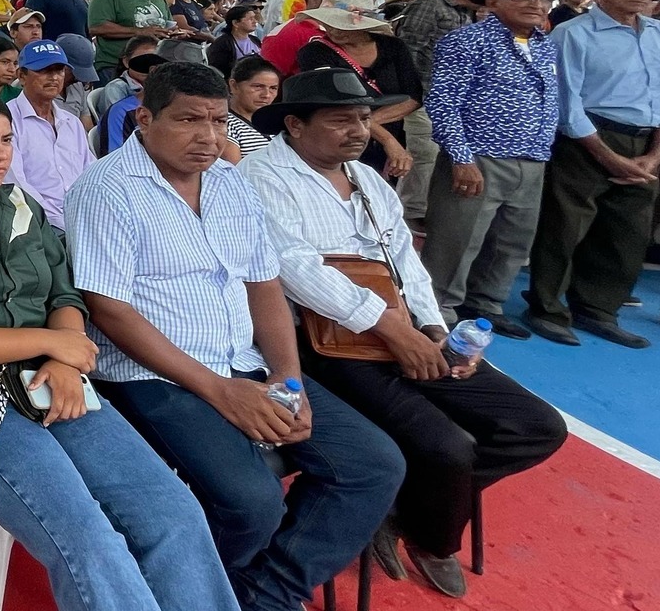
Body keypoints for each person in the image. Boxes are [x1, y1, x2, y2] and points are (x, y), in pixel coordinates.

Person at [0, 86, 233, 611]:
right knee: (86, 534)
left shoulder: (22, 208)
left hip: (46, 373)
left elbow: (64, 296)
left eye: (6, 140)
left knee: (173, 511)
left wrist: (63, 360)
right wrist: (55, 344)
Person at [65, 62, 404, 611]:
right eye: (189, 120)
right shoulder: (107, 189)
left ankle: (263, 595)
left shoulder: (229, 182)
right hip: (154, 375)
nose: (208, 137)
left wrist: (288, 379)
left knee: (373, 466)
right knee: (251, 505)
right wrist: (220, 391)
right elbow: (109, 309)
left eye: (219, 122)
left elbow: (263, 283)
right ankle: (184, 592)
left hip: (244, 361)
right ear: (145, 119)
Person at [240, 67, 565, 598]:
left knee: (536, 427)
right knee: (446, 448)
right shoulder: (261, 176)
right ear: (295, 125)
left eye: (363, 118)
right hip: (325, 345)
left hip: (400, 330)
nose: (358, 131)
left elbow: (405, 264)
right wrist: (394, 329)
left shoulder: (367, 179)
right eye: (341, 120)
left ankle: (402, 508)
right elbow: (293, 268)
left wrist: (434, 329)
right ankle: (432, 536)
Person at [524, 0, 660, 348]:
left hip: (646, 142)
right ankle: (546, 308)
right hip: (587, 138)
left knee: (627, 232)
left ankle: (597, 309)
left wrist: (656, 153)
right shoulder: (573, 34)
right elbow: (565, 102)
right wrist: (607, 155)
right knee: (564, 227)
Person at [421, 0, 559, 338]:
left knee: (512, 241)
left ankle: (486, 303)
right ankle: (438, 308)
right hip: (479, 156)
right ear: (494, 2)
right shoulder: (467, 41)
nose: (536, 4)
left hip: (532, 157)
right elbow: (443, 102)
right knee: (457, 239)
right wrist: (461, 157)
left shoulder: (545, 45)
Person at [294, 0, 423, 179]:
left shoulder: (393, 46)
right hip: (342, 140)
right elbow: (338, 101)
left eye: (341, 24)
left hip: (393, 137)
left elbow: (413, 96)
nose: (333, 30)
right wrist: (387, 140)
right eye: (329, 23)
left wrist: (371, 123)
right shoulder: (314, 52)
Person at [2, 39, 92, 230]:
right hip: (38, 224)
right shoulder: (6, 120)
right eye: (44, 70)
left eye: (59, 70)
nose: (54, 77)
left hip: (83, 218)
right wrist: (63, 223)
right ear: (22, 76)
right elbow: (16, 185)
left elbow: (91, 173)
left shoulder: (72, 122)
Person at [86, 0, 175, 80]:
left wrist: (174, 33)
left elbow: (166, 23)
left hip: (152, 66)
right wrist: (140, 31)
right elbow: (97, 27)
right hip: (115, 67)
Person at [224, 56, 282, 159]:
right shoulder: (224, 124)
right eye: (258, 87)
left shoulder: (275, 122)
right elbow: (235, 168)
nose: (266, 95)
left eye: (273, 88)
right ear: (234, 86)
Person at [206, 4, 263, 79]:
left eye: (254, 18)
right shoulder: (223, 44)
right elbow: (217, 71)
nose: (255, 21)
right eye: (250, 19)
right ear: (235, 23)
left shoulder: (255, 40)